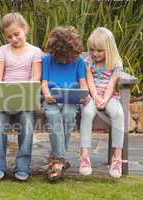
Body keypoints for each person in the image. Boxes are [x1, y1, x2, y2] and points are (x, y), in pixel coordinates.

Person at [0, 12, 43, 181]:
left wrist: (23, 90)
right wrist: (3, 89)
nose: (13, 39)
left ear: (25, 29)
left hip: (25, 98)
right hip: (5, 98)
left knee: (27, 122)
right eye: (9, 37)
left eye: (16, 34)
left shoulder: (35, 52)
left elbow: (36, 77)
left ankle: (22, 166)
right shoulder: (2, 51)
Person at [41, 26, 87, 182]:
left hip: (71, 99)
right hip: (52, 99)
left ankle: (56, 161)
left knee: (68, 115)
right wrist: (46, 95)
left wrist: (84, 95)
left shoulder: (79, 61)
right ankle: (60, 161)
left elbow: (83, 83)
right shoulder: (47, 59)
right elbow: (44, 83)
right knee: (53, 116)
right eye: (63, 56)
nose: (66, 60)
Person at [79, 27, 125, 178]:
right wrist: (96, 98)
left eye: (99, 50)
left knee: (118, 113)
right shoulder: (88, 62)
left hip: (110, 96)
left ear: (109, 49)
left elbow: (112, 83)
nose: (95, 54)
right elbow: (89, 81)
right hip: (92, 96)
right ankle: (84, 155)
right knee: (86, 112)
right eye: (92, 50)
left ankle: (117, 156)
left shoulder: (116, 63)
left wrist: (104, 99)